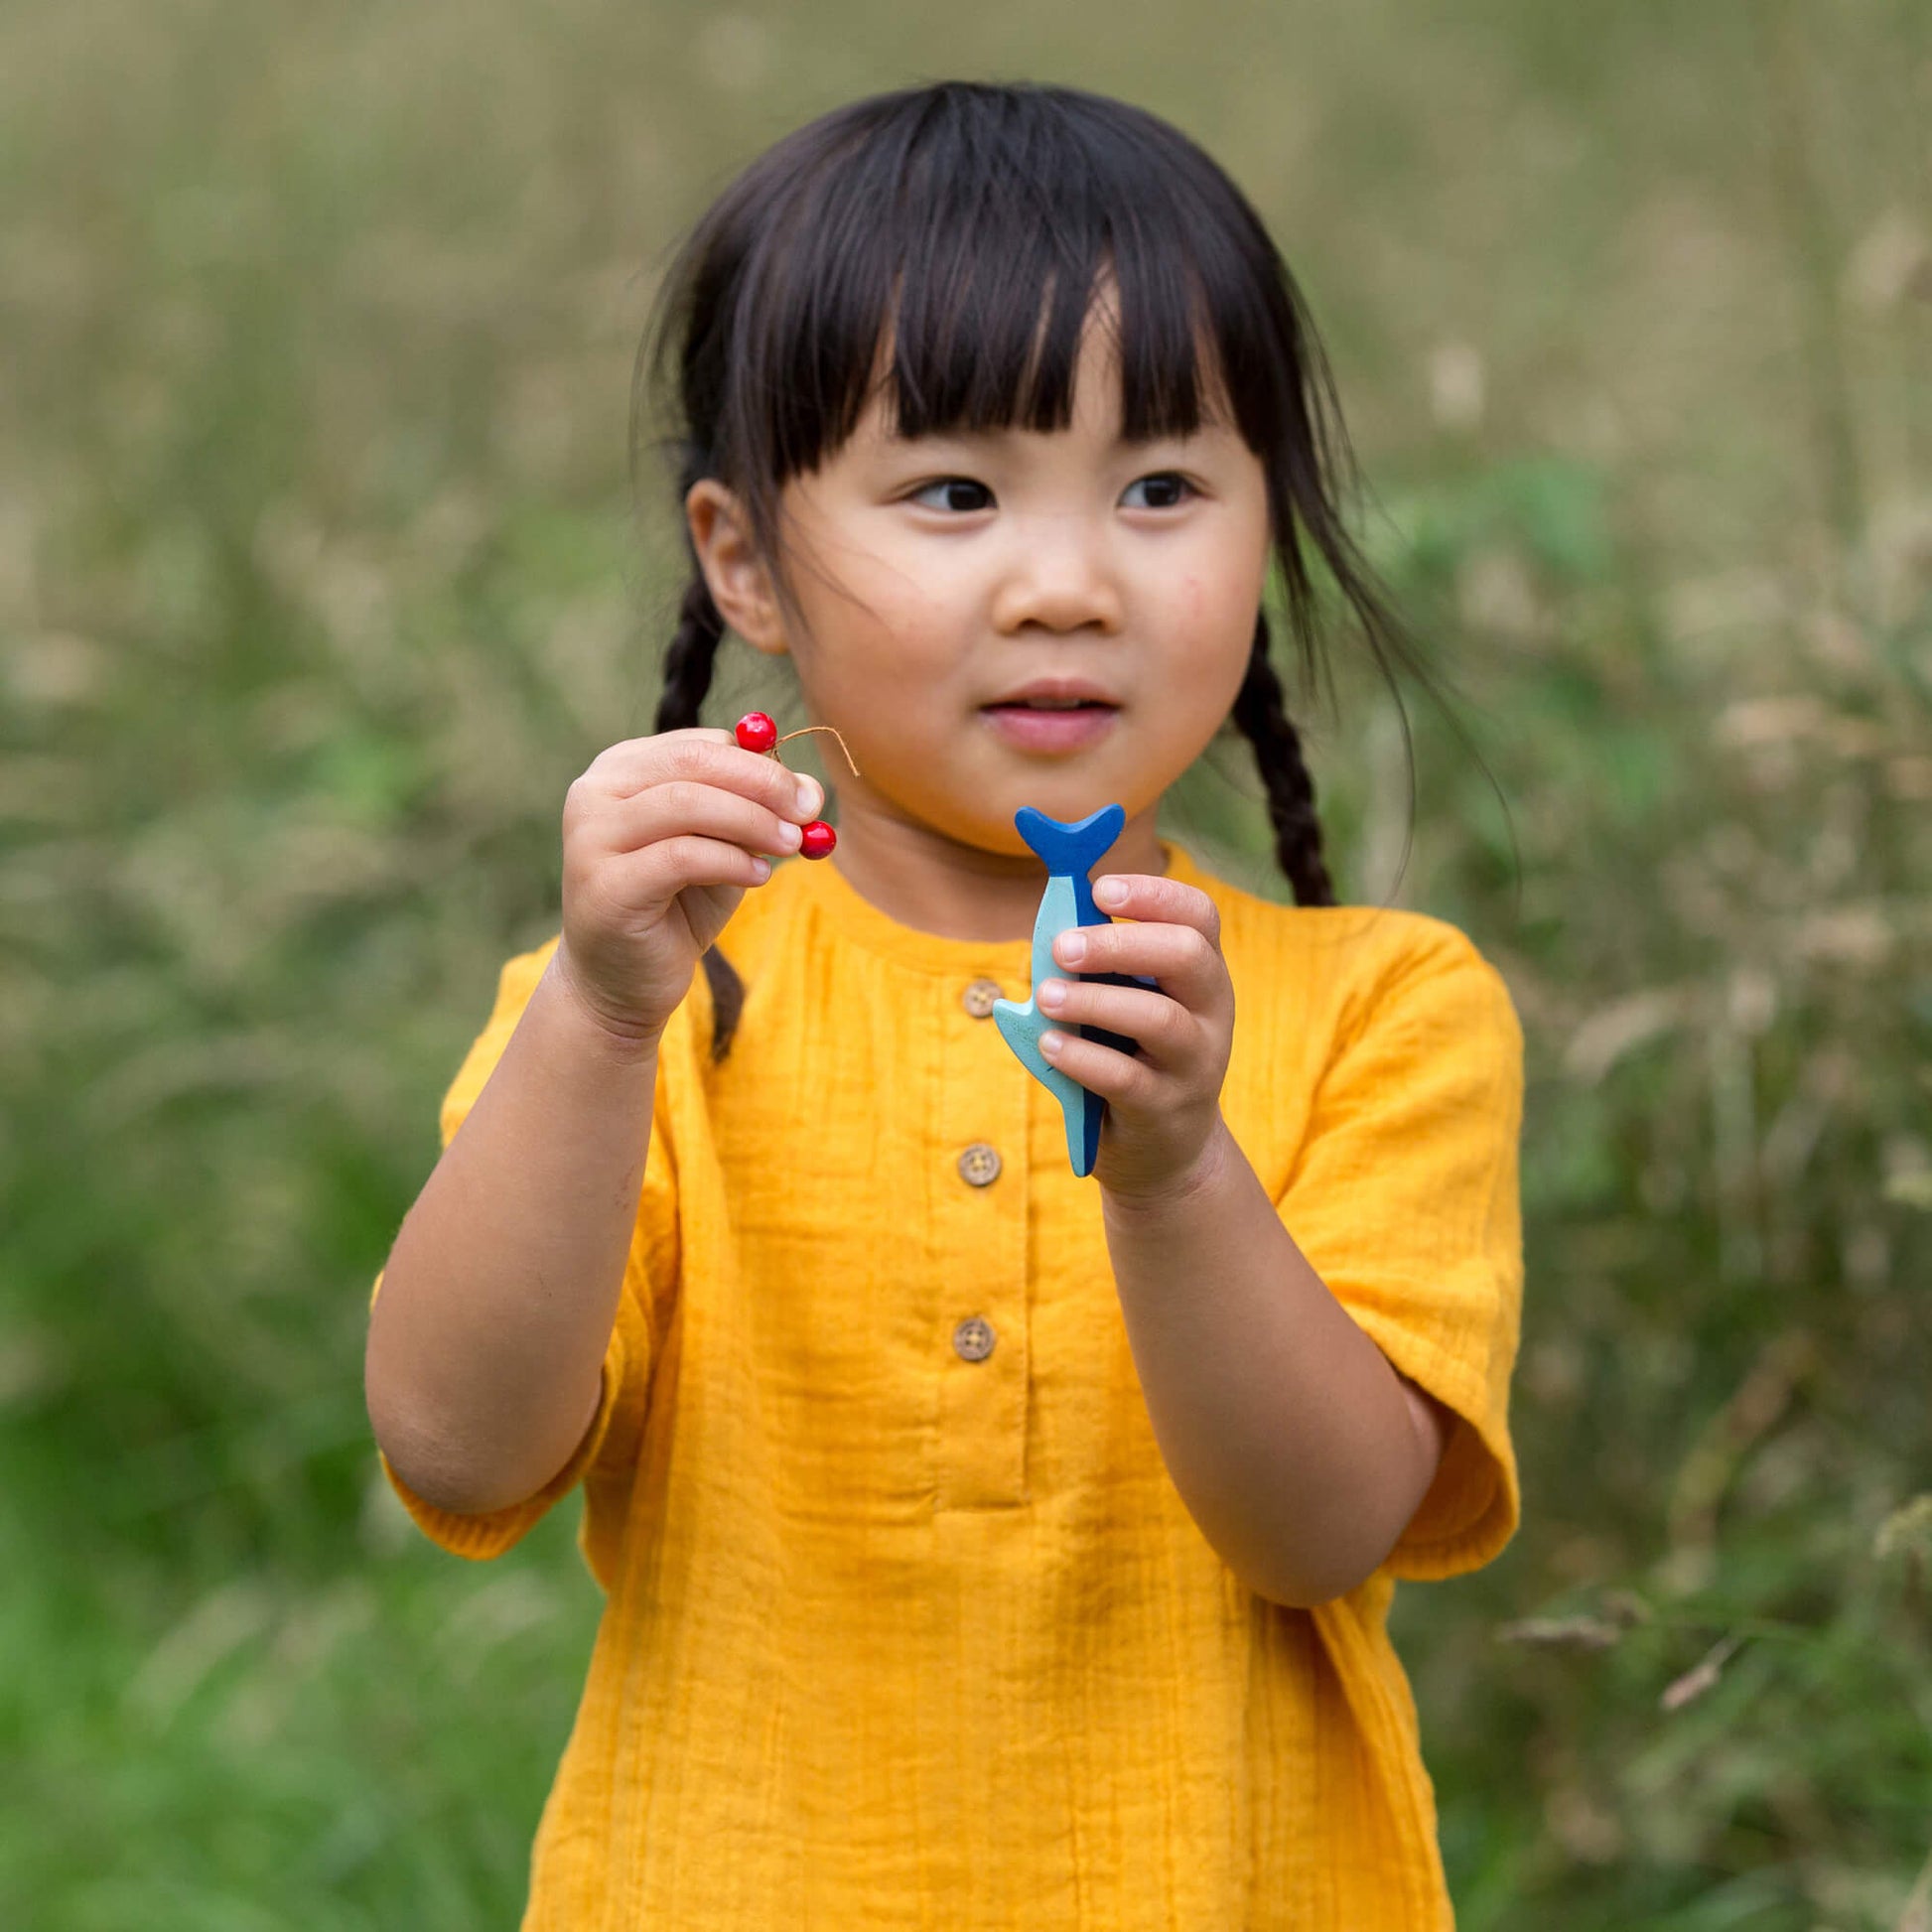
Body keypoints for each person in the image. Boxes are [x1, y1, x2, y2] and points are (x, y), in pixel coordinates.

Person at [363, 79, 1526, 1931]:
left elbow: (1320, 1532)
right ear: (742, 559)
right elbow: (454, 1441)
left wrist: (1172, 1172)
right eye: (954, 493)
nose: (1063, 584)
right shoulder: (647, 1003)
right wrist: (592, 1018)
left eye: (1160, 488)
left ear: (1270, 530)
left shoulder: (1382, 1006)